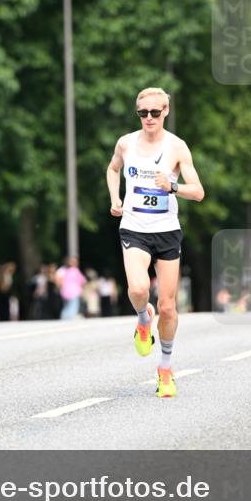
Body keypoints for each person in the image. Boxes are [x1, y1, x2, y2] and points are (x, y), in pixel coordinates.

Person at [106, 87, 204, 398]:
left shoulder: (177, 147)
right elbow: (112, 169)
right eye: (143, 113)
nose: (149, 118)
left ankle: (165, 369)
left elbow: (198, 191)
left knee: (168, 306)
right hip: (134, 227)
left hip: (166, 231)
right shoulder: (126, 143)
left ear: (165, 112)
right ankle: (142, 319)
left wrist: (172, 186)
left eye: (155, 112)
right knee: (137, 289)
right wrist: (115, 197)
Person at [56, 255, 86, 320]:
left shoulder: (67, 270)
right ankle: (69, 318)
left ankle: (65, 317)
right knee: (72, 306)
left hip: (68, 291)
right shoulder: (69, 270)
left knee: (67, 306)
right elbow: (83, 280)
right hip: (71, 291)